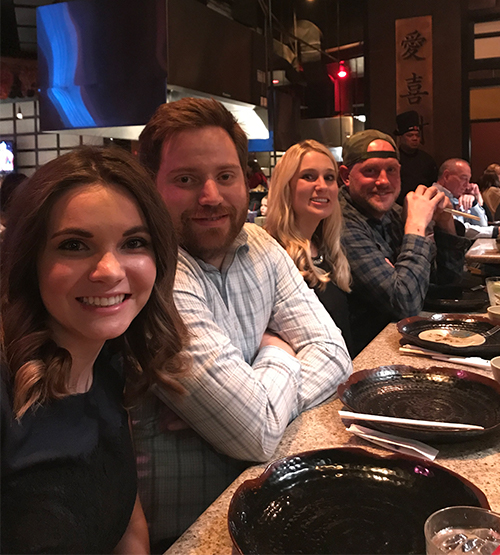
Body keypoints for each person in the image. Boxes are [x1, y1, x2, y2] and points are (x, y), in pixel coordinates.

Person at [134, 97, 352, 550]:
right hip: (191, 534)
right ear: (151, 187)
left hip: (273, 503)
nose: (210, 196)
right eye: (186, 179)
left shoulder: (257, 243)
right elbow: (255, 433)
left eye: (225, 176)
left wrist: (256, 395)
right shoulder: (152, 271)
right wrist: (278, 351)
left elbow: (334, 353)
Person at [1, 146, 189, 554]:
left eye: (134, 242)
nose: (109, 270)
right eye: (73, 245)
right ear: (30, 261)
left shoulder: (108, 366)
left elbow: (125, 520)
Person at [339, 130, 470, 355]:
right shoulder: (341, 224)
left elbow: (447, 283)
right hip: (366, 357)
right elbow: (405, 304)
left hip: (402, 343)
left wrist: (444, 222)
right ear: (346, 176)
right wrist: (417, 228)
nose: (383, 181)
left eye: (391, 170)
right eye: (370, 171)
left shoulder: (394, 214)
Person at [264, 140, 356, 358]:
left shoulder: (328, 248)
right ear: (286, 185)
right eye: (308, 176)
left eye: (329, 177)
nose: (322, 185)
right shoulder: (271, 253)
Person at [434, 159, 500, 238]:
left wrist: (474, 202)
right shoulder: (435, 197)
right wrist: (496, 231)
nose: (467, 185)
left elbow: (482, 224)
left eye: (469, 180)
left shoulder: (457, 196)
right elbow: (459, 229)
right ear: (446, 176)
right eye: (464, 178)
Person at [393, 110, 438, 205]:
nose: (414, 138)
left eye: (417, 135)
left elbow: (434, 185)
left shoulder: (427, 160)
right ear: (401, 137)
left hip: (423, 205)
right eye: (410, 135)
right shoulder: (394, 159)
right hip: (397, 207)